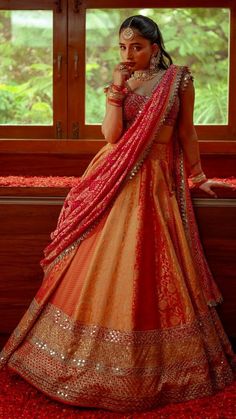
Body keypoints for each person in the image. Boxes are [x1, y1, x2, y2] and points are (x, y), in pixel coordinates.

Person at [0, 15, 235, 414]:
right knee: (103, 263)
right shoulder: (123, 82)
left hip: (159, 178)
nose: (129, 54)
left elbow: (187, 133)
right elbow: (112, 137)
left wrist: (197, 176)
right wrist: (116, 90)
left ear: (155, 48)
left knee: (153, 263)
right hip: (118, 178)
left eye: (137, 47)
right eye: (123, 47)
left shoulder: (179, 80)